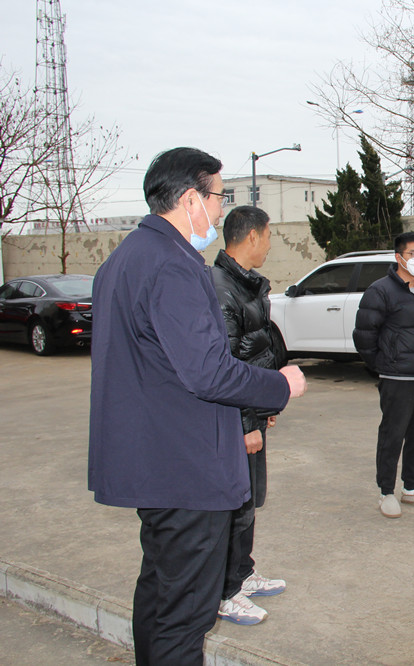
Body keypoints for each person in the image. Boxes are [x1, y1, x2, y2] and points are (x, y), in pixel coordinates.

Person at [88, 147, 307, 666]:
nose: (218, 209)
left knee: (161, 595)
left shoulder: (125, 258)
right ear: (189, 199)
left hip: (154, 461)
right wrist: (279, 385)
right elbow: (207, 371)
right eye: (217, 196)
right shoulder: (173, 265)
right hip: (185, 467)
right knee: (186, 614)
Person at [211, 206, 287, 625]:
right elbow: (225, 366)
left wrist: (266, 405)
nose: (271, 244)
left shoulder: (247, 284)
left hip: (253, 410)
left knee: (251, 499)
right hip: (236, 419)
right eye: (269, 235)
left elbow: (258, 351)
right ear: (252, 236)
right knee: (237, 505)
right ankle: (226, 591)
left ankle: (243, 572)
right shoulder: (221, 288)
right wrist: (244, 423)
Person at [353, 231, 414, 518]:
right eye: (413, 254)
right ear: (398, 257)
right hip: (397, 377)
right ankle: (386, 492)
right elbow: (364, 334)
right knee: (392, 436)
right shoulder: (380, 290)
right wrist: (384, 364)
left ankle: (411, 489)